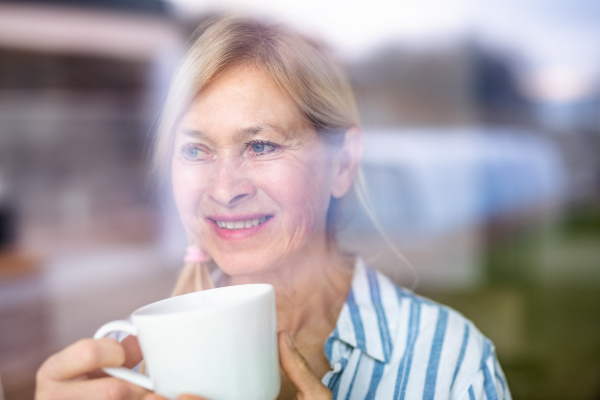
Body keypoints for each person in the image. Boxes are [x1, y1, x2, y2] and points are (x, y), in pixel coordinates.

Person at [35, 15, 511, 400]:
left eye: (261, 145)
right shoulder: (127, 370)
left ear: (342, 163)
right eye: (196, 150)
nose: (224, 190)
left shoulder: (452, 364)